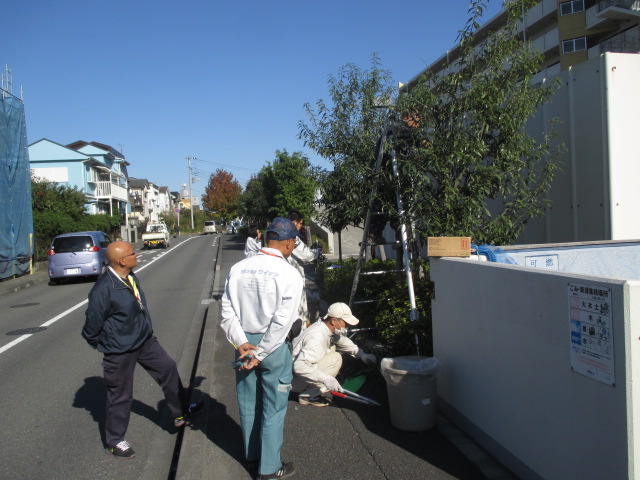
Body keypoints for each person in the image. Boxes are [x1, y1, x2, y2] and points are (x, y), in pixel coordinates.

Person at [82, 241, 203, 459]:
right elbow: (92, 323)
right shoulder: (104, 289)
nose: (136, 255)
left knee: (168, 368)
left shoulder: (129, 277)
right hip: (119, 350)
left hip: (144, 340)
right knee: (121, 395)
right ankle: (115, 440)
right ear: (121, 260)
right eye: (131, 253)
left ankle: (180, 412)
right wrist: (99, 341)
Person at [221, 217, 303, 480]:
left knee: (247, 403)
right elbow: (282, 321)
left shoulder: (239, 267)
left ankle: (251, 455)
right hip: (273, 347)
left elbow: (227, 309)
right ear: (289, 242)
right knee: (274, 407)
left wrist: (241, 342)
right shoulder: (290, 273)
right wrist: (261, 352)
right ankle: (269, 468)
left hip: (243, 343)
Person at [292, 302, 377, 407]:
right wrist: (326, 378)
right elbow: (300, 366)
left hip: (293, 375)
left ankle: (310, 388)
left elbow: (342, 341)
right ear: (334, 321)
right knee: (336, 358)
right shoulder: (317, 337)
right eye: (345, 323)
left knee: (332, 348)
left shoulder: (325, 328)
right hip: (292, 380)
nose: (347, 327)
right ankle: (309, 395)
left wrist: (361, 354)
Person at [286, 210, 321, 327]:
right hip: (294, 278)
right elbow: (307, 255)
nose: (301, 227)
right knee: (298, 312)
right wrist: (317, 252)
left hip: (285, 278)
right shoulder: (292, 237)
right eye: (300, 223)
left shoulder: (281, 235)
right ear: (294, 222)